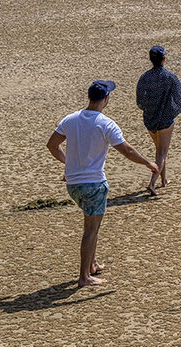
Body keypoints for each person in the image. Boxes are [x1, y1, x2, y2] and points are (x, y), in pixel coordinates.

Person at [46, 79, 159, 288]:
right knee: (91, 229)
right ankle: (84, 276)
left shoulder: (70, 119)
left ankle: (93, 264)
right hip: (94, 184)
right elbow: (126, 150)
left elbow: (52, 145)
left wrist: (68, 164)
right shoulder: (105, 123)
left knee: (92, 225)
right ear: (106, 99)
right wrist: (147, 163)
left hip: (73, 185)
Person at [133, 44, 181, 192]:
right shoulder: (169, 77)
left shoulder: (144, 77)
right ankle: (152, 183)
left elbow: (140, 101)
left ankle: (164, 180)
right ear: (164, 59)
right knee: (162, 153)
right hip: (165, 121)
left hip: (150, 119)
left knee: (160, 150)